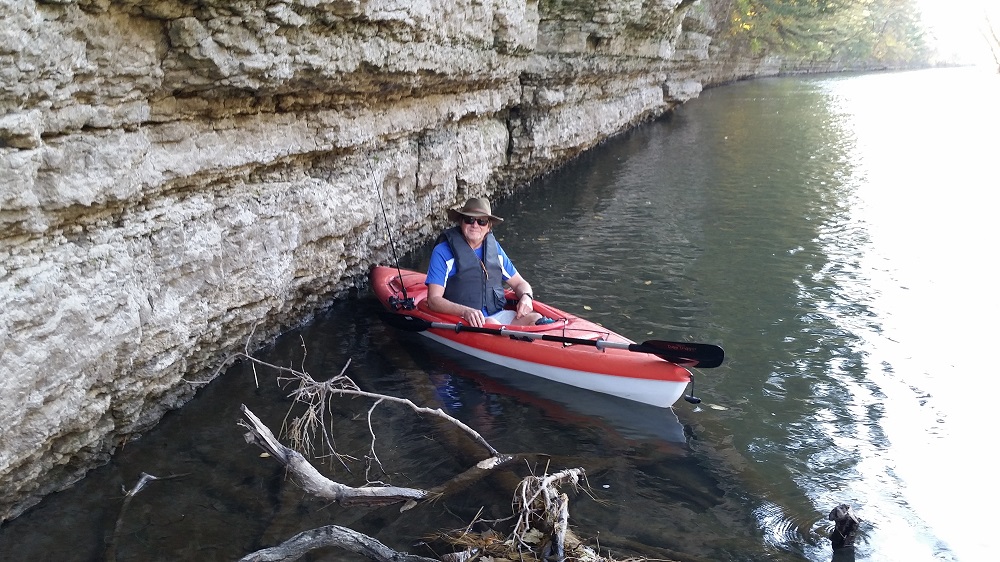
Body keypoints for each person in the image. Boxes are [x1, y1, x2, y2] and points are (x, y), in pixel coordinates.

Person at [425, 197, 545, 328]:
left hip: (497, 315)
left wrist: (527, 297)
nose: (475, 225)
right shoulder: (442, 252)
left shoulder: (495, 250)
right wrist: (466, 311)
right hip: (462, 318)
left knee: (536, 318)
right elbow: (433, 300)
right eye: (469, 220)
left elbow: (520, 283)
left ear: (488, 227)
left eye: (482, 221)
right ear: (461, 222)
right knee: (491, 323)